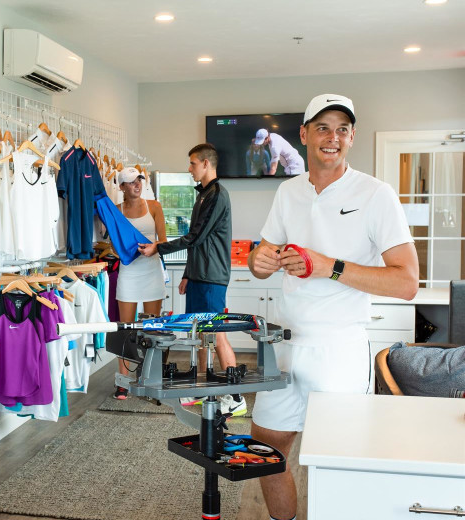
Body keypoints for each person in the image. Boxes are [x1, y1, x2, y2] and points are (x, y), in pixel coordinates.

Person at [247, 93, 418, 520]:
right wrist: (259, 261)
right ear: (303, 135)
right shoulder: (288, 191)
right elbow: (263, 258)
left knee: (336, 463)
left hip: (338, 351)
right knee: (264, 451)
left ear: (352, 137)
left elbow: (407, 281)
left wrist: (331, 267)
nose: (333, 137)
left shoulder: (376, 194)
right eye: (323, 127)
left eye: (343, 129)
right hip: (284, 345)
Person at [138, 144, 245, 415]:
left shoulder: (218, 194)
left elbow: (194, 237)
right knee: (199, 335)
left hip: (212, 278)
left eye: (193, 163)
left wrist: (158, 248)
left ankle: (235, 396)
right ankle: (201, 389)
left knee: (216, 334)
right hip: (198, 276)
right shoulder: (203, 195)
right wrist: (187, 273)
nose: (189, 168)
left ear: (206, 164)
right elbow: (199, 241)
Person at [113, 167, 167, 399]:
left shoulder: (154, 207)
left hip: (152, 271)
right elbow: (115, 244)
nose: (137, 184)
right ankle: (123, 382)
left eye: (139, 180)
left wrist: (151, 248)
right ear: (122, 186)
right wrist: (125, 251)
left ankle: (150, 378)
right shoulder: (116, 211)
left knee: (152, 328)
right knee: (126, 329)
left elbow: (163, 241)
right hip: (129, 273)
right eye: (131, 182)